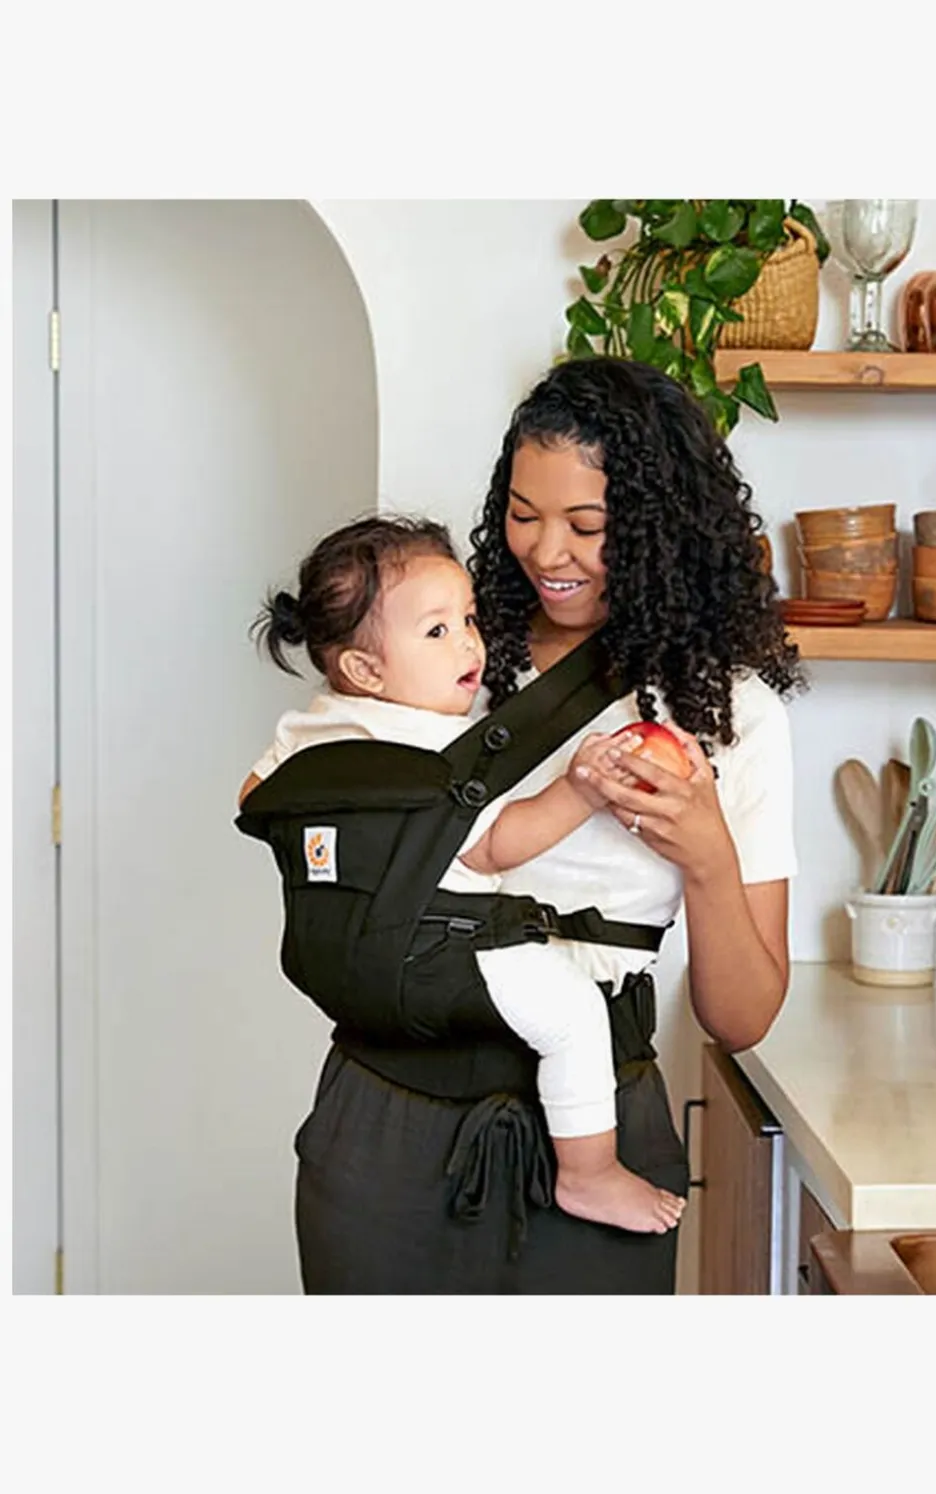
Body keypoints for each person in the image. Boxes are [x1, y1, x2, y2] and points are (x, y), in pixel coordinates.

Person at [246, 355, 801, 1295]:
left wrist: (708, 856)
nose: (546, 553)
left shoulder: (730, 714)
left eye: (587, 526)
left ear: (659, 525)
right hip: (389, 1116)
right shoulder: (443, 653)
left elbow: (741, 1020)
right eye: (522, 513)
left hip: (600, 1118)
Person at [242, 514, 687, 1235]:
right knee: (576, 1016)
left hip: (348, 963)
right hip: (445, 952)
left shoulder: (309, 728)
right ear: (366, 670)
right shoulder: (435, 745)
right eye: (437, 631)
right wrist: (580, 790)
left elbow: (256, 799)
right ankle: (590, 1174)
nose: (469, 643)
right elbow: (495, 846)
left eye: (469, 620)